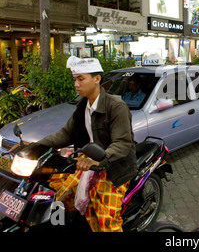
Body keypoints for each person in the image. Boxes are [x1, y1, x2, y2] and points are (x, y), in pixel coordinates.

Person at [38, 56, 137, 232]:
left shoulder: (116, 106)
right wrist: (35, 147)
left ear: (97, 79)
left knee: (107, 222)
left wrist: (100, 160)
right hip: (89, 161)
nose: (76, 84)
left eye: (81, 79)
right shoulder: (82, 105)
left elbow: (122, 143)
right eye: (75, 79)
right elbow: (66, 133)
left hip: (113, 167)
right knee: (55, 191)